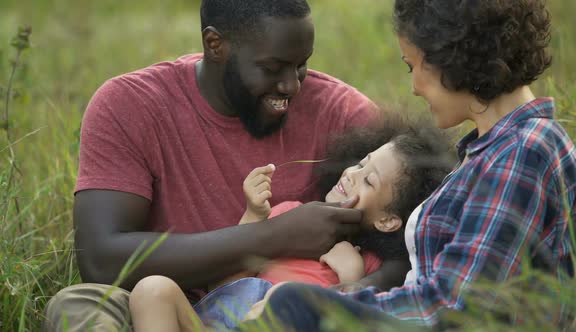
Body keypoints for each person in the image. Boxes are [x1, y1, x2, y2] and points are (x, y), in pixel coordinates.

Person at [41, 1, 415, 331]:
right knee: (79, 306)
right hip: (165, 308)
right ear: (215, 45)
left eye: (301, 65)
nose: (291, 86)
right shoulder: (129, 105)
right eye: (272, 68)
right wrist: (274, 235)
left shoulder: (341, 111)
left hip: (285, 313)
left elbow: (418, 238)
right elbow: (101, 259)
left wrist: (352, 291)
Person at [240, 0, 576, 330]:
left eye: (413, 66)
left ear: (450, 58)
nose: (414, 88)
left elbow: (455, 308)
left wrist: (319, 305)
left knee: (292, 304)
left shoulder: (523, 151)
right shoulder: (495, 149)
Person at [127, 122, 454, 331]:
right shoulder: (288, 215)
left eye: (368, 180)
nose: (351, 174)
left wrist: (351, 276)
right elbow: (221, 291)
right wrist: (254, 217)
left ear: (388, 220)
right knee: (152, 290)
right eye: (360, 163)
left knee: (286, 295)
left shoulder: (370, 265)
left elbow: (336, 321)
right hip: (215, 324)